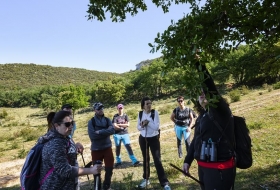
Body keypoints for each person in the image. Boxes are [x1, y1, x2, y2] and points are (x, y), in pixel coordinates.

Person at [183, 56, 236, 190]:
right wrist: (187, 161)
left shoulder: (221, 112)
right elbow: (196, 140)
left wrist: (198, 62)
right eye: (199, 92)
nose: (202, 93)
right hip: (204, 168)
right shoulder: (202, 115)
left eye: (204, 92)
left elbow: (210, 85)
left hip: (220, 168)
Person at [39, 110, 102, 190]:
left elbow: (65, 153)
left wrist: (75, 147)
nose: (71, 126)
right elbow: (65, 170)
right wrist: (91, 170)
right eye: (67, 124)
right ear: (56, 126)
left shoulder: (64, 137)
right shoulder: (55, 143)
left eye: (72, 123)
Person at [137, 97, 171, 190]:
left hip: (153, 138)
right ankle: (146, 179)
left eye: (150, 103)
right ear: (143, 106)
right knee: (146, 159)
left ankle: (164, 182)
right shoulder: (140, 114)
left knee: (157, 160)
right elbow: (138, 128)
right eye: (147, 104)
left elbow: (156, 127)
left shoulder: (154, 113)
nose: (149, 105)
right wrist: (142, 124)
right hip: (143, 138)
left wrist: (148, 123)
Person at [88, 102, 115, 190]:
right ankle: (97, 188)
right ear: (95, 110)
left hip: (107, 148)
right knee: (96, 171)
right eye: (99, 109)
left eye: (102, 108)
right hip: (96, 149)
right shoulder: (91, 122)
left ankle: (107, 186)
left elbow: (112, 131)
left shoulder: (107, 120)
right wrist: (106, 131)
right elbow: (92, 135)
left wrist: (99, 132)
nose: (101, 110)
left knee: (109, 168)